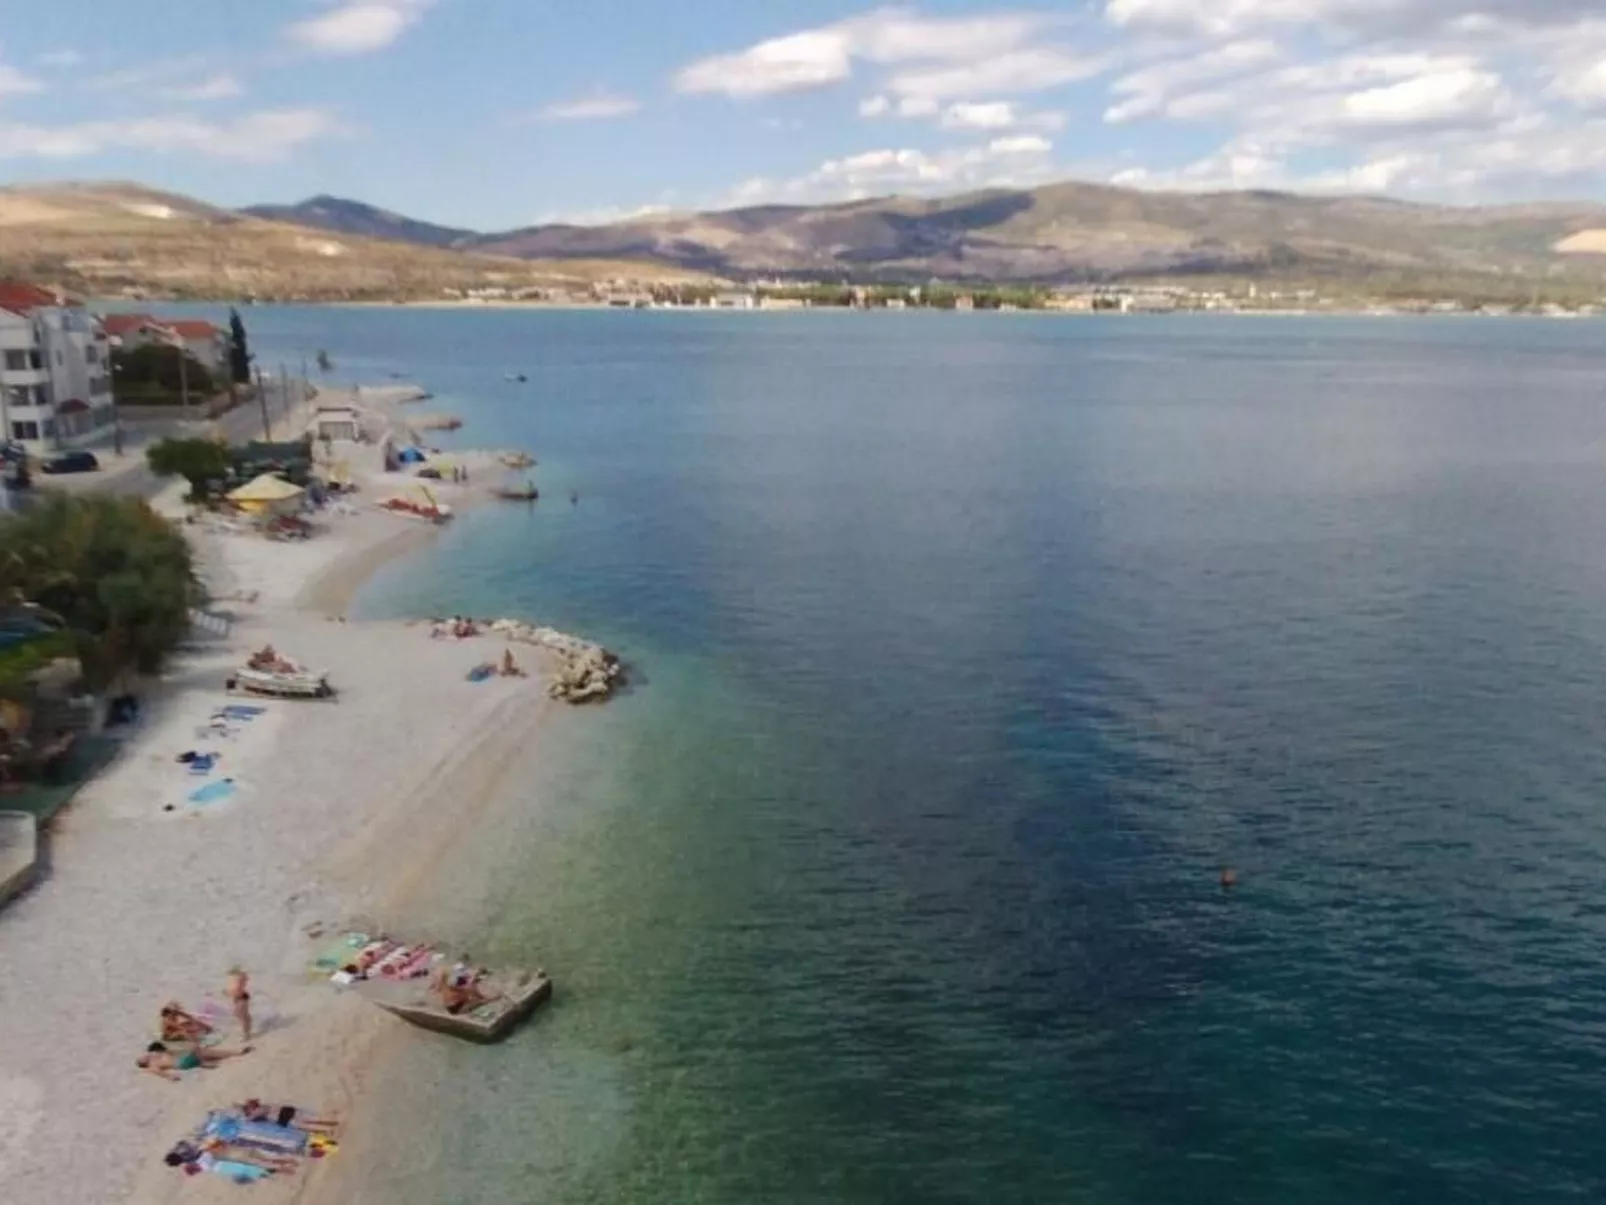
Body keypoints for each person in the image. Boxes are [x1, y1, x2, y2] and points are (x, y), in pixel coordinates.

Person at [138, 1041, 252, 1081]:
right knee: (205, 1052)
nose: (143, 1056)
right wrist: (170, 1077)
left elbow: (172, 1051)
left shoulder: (153, 1055)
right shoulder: (152, 1066)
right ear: (144, 1063)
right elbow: (160, 1073)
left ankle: (205, 1062)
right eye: (142, 1059)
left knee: (206, 1052)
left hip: (184, 1059)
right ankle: (237, 1052)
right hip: (183, 1063)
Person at [238, 1099, 340, 1136]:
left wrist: (246, 1116)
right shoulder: (262, 1107)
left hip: (284, 1116)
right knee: (309, 1122)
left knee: (306, 1125)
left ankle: (328, 1128)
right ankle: (330, 1125)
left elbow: (250, 1118)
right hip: (286, 1112)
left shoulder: (260, 1110)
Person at [224, 966, 253, 1042]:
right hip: (239, 997)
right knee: (240, 1014)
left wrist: (228, 993)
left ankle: (245, 1034)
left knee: (241, 1015)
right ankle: (246, 1030)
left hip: (241, 998)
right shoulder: (237, 981)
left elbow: (237, 991)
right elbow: (236, 990)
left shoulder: (238, 981)